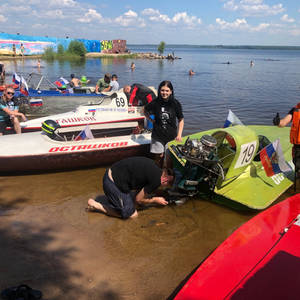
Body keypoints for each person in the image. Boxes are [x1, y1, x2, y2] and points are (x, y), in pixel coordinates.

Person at [87, 156, 174, 219]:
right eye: (168, 184)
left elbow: (143, 188)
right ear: (165, 179)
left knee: (136, 201)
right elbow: (138, 199)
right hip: (111, 183)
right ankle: (97, 206)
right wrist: (155, 200)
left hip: (113, 174)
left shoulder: (156, 168)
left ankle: (116, 201)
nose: (164, 186)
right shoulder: (156, 180)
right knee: (132, 215)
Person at [144, 80, 184, 167]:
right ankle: (158, 173)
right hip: (157, 135)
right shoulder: (155, 102)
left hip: (171, 135)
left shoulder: (175, 103)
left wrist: (179, 135)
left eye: (167, 90)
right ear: (159, 90)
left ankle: (167, 173)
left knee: (169, 158)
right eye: (162, 90)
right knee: (159, 156)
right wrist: (151, 120)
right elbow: (145, 110)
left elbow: (181, 119)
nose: (164, 93)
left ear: (171, 91)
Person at [273, 106, 300, 172]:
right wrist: (278, 122)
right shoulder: (295, 110)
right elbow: (284, 122)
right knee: (298, 167)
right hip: (297, 147)